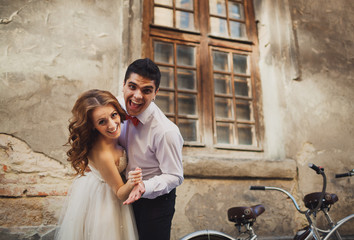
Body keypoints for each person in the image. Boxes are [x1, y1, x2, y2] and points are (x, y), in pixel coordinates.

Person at [55, 89, 142, 240]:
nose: (112, 125)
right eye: (102, 122)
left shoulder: (109, 135)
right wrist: (132, 181)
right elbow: (120, 193)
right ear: (93, 126)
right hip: (104, 200)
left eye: (113, 115)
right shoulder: (103, 153)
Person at [118, 58, 184, 240]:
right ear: (123, 85)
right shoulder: (113, 110)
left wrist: (144, 187)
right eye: (132, 87)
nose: (137, 96)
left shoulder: (166, 131)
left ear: (156, 93)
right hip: (121, 193)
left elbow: (175, 176)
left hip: (154, 203)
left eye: (146, 90)